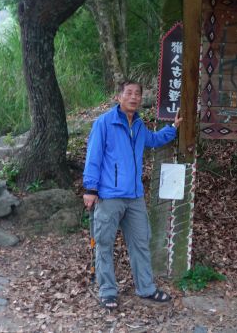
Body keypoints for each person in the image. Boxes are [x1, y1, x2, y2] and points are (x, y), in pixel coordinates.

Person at [83, 80, 183, 309]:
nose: (134, 97)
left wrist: (173, 129)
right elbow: (93, 157)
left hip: (135, 196)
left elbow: (153, 140)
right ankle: (108, 291)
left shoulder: (138, 125)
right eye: (129, 93)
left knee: (140, 242)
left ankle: (146, 288)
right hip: (109, 196)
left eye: (138, 93)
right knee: (104, 243)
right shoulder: (104, 123)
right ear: (118, 97)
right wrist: (90, 189)